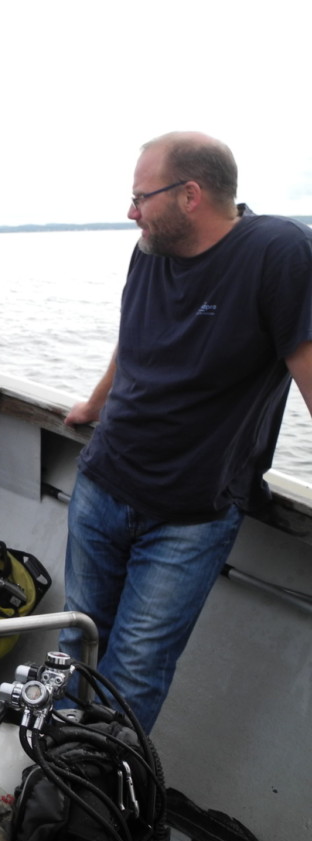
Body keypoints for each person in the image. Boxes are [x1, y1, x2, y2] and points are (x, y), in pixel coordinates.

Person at [60, 132, 312, 732]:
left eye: (140, 197)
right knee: (76, 651)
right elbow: (134, 336)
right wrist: (95, 403)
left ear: (190, 195)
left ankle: (94, 790)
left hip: (189, 515)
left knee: (132, 677)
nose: (131, 212)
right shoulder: (152, 247)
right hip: (102, 484)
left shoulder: (279, 253)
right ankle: (50, 778)